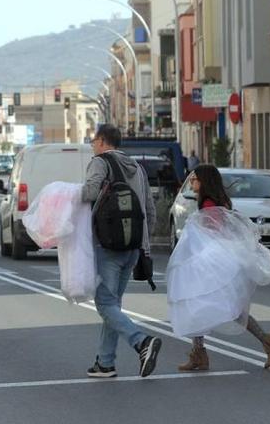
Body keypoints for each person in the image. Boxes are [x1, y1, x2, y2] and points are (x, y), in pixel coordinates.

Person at [176, 165, 270, 371]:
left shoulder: (209, 204)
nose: (191, 183)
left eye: (194, 179)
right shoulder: (219, 201)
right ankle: (269, 344)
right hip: (222, 261)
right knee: (226, 308)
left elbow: (214, 231)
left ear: (204, 181)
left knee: (200, 305)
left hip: (214, 263)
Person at [82, 124, 160, 379]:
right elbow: (149, 208)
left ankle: (141, 342)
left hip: (108, 246)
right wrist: (143, 243)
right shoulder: (136, 167)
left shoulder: (100, 162)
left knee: (104, 303)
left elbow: (91, 191)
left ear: (103, 141)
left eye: (94, 140)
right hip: (134, 246)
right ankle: (105, 363)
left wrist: (65, 195)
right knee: (113, 304)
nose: (92, 144)